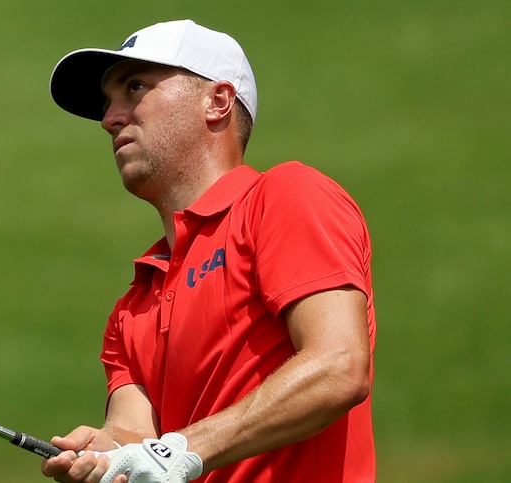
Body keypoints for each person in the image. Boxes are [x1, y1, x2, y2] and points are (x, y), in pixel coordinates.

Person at [41, 20, 376, 482]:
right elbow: (135, 437)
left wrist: (182, 449)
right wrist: (107, 454)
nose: (108, 119)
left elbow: (339, 367)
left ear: (217, 101)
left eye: (135, 87)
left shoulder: (285, 196)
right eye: (107, 102)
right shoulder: (131, 308)